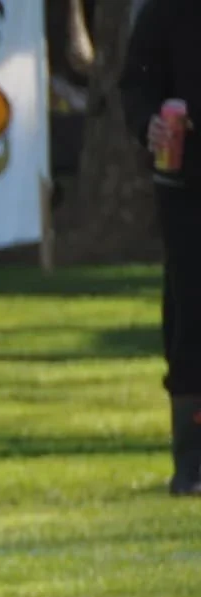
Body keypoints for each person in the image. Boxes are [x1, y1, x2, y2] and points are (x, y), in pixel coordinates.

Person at [121, 0, 200, 495]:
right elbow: (136, 82)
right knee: (191, 317)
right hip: (186, 185)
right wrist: (148, 121)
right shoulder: (169, 9)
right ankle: (193, 458)